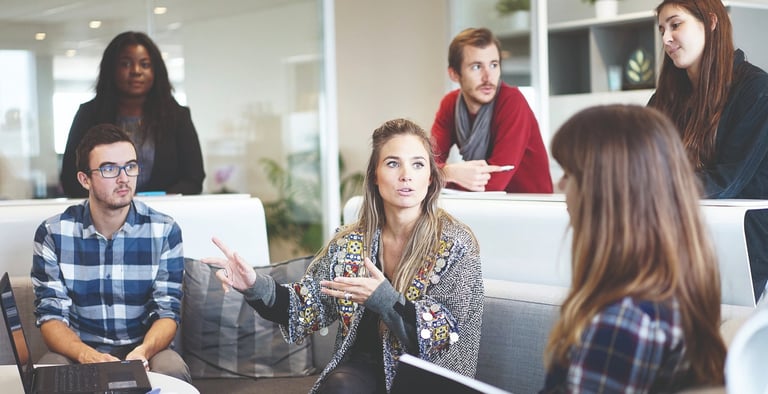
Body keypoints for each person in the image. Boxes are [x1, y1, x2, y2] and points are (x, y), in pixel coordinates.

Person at [203, 118, 484, 393]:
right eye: (393, 163)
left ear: (431, 177)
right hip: (361, 373)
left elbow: (445, 334)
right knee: (341, 386)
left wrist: (385, 300)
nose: (406, 175)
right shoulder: (350, 242)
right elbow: (306, 306)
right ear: (375, 175)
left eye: (418, 164)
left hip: (426, 379)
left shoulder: (456, 244)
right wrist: (254, 285)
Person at [542, 105, 726, 393]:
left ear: (605, 191)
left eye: (568, 174)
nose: (560, 185)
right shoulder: (673, 292)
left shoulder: (624, 322)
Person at [33, 124, 190, 382]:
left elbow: (167, 312)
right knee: (48, 370)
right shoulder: (53, 233)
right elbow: (51, 317)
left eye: (130, 166)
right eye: (109, 169)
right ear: (85, 179)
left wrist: (143, 351)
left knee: (171, 368)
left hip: (145, 350)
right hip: (79, 351)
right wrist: (88, 356)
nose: (123, 178)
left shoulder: (164, 230)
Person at [648, 0, 768, 300]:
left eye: (676, 25)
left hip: (741, 248)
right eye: (662, 29)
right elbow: (641, 166)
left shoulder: (755, 89)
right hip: (677, 242)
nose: (666, 39)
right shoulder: (663, 99)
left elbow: (728, 181)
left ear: (711, 22)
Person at [60, 31, 205, 198]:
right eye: (125, 64)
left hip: (164, 214)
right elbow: (71, 179)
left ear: (156, 71)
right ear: (111, 69)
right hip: (103, 216)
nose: (136, 71)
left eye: (145, 64)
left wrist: (156, 201)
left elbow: (194, 179)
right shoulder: (89, 115)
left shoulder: (178, 116)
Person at [430, 27, 552, 193]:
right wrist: (449, 172)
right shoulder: (450, 104)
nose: (488, 77)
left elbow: (494, 183)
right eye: (476, 67)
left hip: (530, 208)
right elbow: (424, 166)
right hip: (485, 207)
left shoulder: (512, 101)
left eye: (494, 65)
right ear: (454, 74)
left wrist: (442, 176)